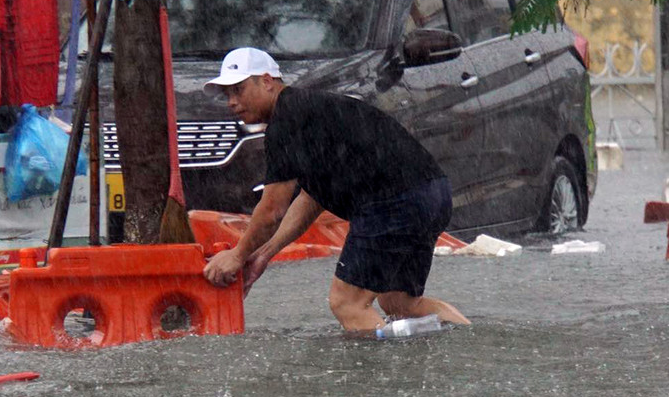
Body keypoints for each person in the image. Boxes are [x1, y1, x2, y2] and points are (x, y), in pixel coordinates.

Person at [200, 47, 470, 332]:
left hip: (393, 202)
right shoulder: (308, 109)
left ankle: (384, 376)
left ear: (267, 81)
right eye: (227, 95)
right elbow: (312, 198)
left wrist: (238, 255)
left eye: (238, 90)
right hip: (432, 193)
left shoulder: (285, 121)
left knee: (347, 303)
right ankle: (470, 342)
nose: (232, 102)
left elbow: (271, 211)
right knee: (401, 304)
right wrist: (264, 254)